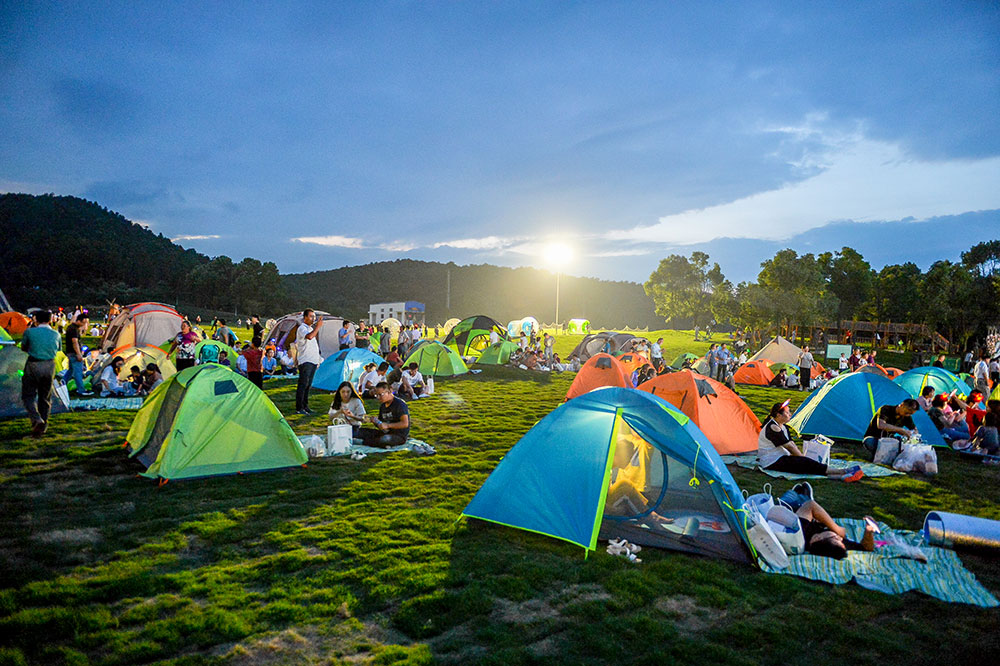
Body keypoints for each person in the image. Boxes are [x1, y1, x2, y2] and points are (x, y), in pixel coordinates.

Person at [757, 401, 864, 480]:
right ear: (778, 415)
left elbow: (792, 443)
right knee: (804, 464)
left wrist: (802, 458)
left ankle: (839, 476)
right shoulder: (773, 427)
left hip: (781, 457)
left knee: (805, 465)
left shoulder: (783, 426)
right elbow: (790, 447)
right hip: (771, 461)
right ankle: (842, 472)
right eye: (787, 412)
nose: (790, 414)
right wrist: (802, 458)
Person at [19, 309, 62, 437]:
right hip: (50, 365)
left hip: (33, 364)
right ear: (50, 320)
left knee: (28, 395)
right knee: (45, 397)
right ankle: (44, 425)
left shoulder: (29, 332)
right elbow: (58, 349)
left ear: (36, 319)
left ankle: (36, 419)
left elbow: (24, 347)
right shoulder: (56, 334)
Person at [357, 382, 410, 447]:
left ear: (390, 391)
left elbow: (405, 424)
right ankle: (378, 443)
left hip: (398, 435)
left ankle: (362, 442)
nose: (378, 397)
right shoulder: (383, 406)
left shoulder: (400, 404)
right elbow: (382, 425)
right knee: (361, 431)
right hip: (385, 432)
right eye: (376, 395)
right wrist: (375, 422)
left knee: (385, 439)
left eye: (380, 395)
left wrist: (388, 425)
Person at [295, 309, 324, 414]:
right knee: (303, 384)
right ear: (305, 317)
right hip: (305, 360)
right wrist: (318, 327)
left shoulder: (310, 328)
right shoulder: (302, 328)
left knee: (308, 385)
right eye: (311, 316)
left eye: (314, 317)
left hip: (313, 360)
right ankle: (299, 408)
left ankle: (305, 405)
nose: (313, 319)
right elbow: (310, 337)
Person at [64, 312, 92, 398]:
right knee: (78, 372)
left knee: (71, 371)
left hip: (70, 352)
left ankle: (62, 385)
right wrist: (79, 354)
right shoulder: (74, 329)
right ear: (79, 321)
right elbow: (75, 342)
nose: (84, 324)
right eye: (84, 322)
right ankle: (81, 390)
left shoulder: (71, 327)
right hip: (74, 353)